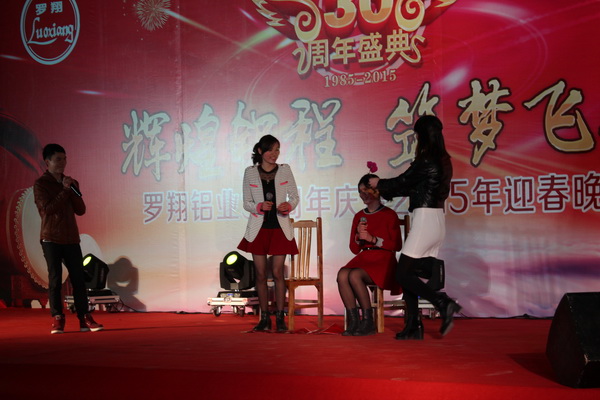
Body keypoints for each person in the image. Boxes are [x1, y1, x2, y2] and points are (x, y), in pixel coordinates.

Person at [368, 115, 461, 340]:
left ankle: (442, 302)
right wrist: (385, 189)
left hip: (425, 220)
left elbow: (403, 181)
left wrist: (379, 184)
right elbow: (410, 187)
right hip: (436, 219)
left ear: (422, 136)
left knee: (402, 273)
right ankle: (413, 325)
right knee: (408, 273)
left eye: (418, 136)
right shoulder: (443, 160)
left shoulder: (427, 160)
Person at [33, 144, 103, 334]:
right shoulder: (41, 184)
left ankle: (84, 317)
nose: (62, 163)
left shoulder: (71, 182)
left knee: (78, 279)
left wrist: (72, 190)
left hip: (71, 238)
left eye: (64, 159)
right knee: (55, 279)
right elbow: (47, 210)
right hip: (51, 237)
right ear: (47, 162)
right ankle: (57, 318)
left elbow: (81, 210)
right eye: (58, 159)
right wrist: (64, 191)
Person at [237, 135, 299, 332]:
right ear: (260, 151)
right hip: (259, 229)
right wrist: (259, 206)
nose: (275, 154)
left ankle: (280, 317)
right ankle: (264, 318)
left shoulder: (285, 170)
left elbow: (295, 197)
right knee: (261, 274)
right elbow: (246, 202)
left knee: (278, 273)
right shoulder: (250, 172)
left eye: (277, 149)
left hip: (280, 228)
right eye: (270, 150)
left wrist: (288, 205)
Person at [337, 174, 402, 336]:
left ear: (377, 191)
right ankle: (354, 322)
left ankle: (368, 321)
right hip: (364, 258)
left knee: (354, 275)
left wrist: (373, 239)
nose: (363, 194)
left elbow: (397, 245)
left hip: (383, 260)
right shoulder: (359, 216)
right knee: (342, 274)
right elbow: (354, 249)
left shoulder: (389, 214)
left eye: (367, 190)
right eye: (360, 191)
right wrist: (358, 237)